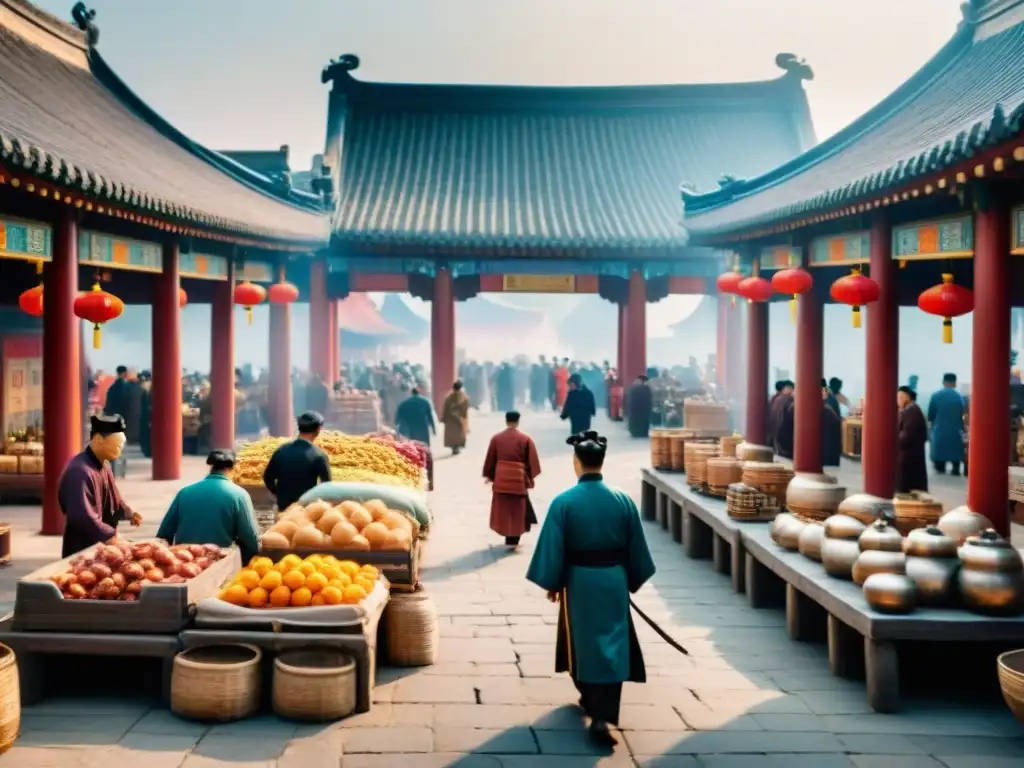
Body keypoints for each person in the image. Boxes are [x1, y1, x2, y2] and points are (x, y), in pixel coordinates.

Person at [526, 430, 655, 745]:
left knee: (584, 645)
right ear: (602, 461)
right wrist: (629, 578)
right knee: (612, 645)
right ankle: (602, 712)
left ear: (576, 462)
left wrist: (554, 582)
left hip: (580, 582)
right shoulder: (623, 500)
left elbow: (553, 549)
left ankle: (596, 711)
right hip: (613, 580)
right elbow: (637, 548)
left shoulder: (564, 502)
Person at [58, 414, 143, 558]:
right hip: (83, 549)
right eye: (117, 446)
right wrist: (112, 537)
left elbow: (114, 499)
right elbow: (83, 518)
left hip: (102, 547)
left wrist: (128, 513)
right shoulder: (80, 471)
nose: (120, 450)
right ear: (99, 440)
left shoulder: (104, 464)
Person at [157, 449, 262, 563]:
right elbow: (250, 537)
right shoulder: (239, 494)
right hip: (218, 560)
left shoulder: (185, 492)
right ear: (234, 468)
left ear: (211, 468)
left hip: (185, 561)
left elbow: (164, 534)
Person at [482, 411, 542, 547]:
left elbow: (490, 460)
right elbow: (532, 462)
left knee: (503, 508)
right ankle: (514, 538)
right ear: (518, 421)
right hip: (518, 481)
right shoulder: (525, 439)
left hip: (501, 479)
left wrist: (491, 476)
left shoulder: (496, 439)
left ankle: (508, 536)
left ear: (506, 421)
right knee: (518, 510)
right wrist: (529, 477)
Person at [262, 411, 332, 512]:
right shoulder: (319, 455)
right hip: (306, 511)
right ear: (318, 429)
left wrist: (279, 494)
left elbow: (267, 478)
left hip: (283, 510)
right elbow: (327, 487)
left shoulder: (281, 451)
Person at [928, 373, 966, 476]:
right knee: (956, 452)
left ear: (944, 382)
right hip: (956, 431)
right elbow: (965, 415)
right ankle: (955, 468)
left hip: (939, 430)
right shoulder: (961, 397)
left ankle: (940, 467)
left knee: (939, 455)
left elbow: (930, 415)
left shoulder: (935, 396)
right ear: (954, 383)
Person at [897, 386, 929, 493]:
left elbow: (907, 435)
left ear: (906, 397)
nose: (897, 401)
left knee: (909, 486)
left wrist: (894, 440)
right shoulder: (909, 410)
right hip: (910, 454)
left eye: (899, 397)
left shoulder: (912, 411)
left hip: (909, 455)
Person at [442, 381, 471, 456]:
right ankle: (457, 447)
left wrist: (444, 418)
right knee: (459, 434)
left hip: (450, 420)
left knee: (453, 435)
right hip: (460, 419)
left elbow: (445, 408)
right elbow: (465, 409)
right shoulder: (464, 397)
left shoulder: (449, 397)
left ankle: (454, 448)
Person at [771, 381, 796, 459]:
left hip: (776, 434)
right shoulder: (788, 400)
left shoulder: (775, 399)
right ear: (786, 388)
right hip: (785, 435)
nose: (793, 391)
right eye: (792, 388)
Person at [138, 371, 152, 458]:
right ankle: (146, 450)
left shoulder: (147, 391)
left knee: (147, 434)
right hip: (144, 416)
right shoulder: (144, 391)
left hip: (147, 416)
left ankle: (147, 450)